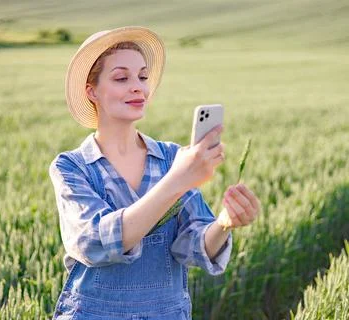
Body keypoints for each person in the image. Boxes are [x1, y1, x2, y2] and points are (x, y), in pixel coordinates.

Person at [48, 26, 261, 320]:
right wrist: (176, 181)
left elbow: (193, 244)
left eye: (143, 77)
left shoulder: (172, 158)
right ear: (92, 91)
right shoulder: (72, 167)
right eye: (122, 78)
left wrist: (225, 223)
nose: (138, 87)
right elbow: (95, 241)